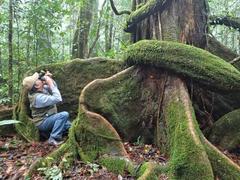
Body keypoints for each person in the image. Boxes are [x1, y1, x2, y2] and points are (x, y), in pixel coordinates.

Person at [22, 71, 71, 146]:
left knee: (69, 126)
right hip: (42, 122)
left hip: (49, 118)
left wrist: (49, 79)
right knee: (64, 115)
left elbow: (54, 88)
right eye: (37, 79)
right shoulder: (38, 98)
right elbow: (58, 98)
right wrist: (49, 82)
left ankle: (49, 133)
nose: (39, 78)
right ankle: (53, 138)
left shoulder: (41, 89)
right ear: (36, 85)